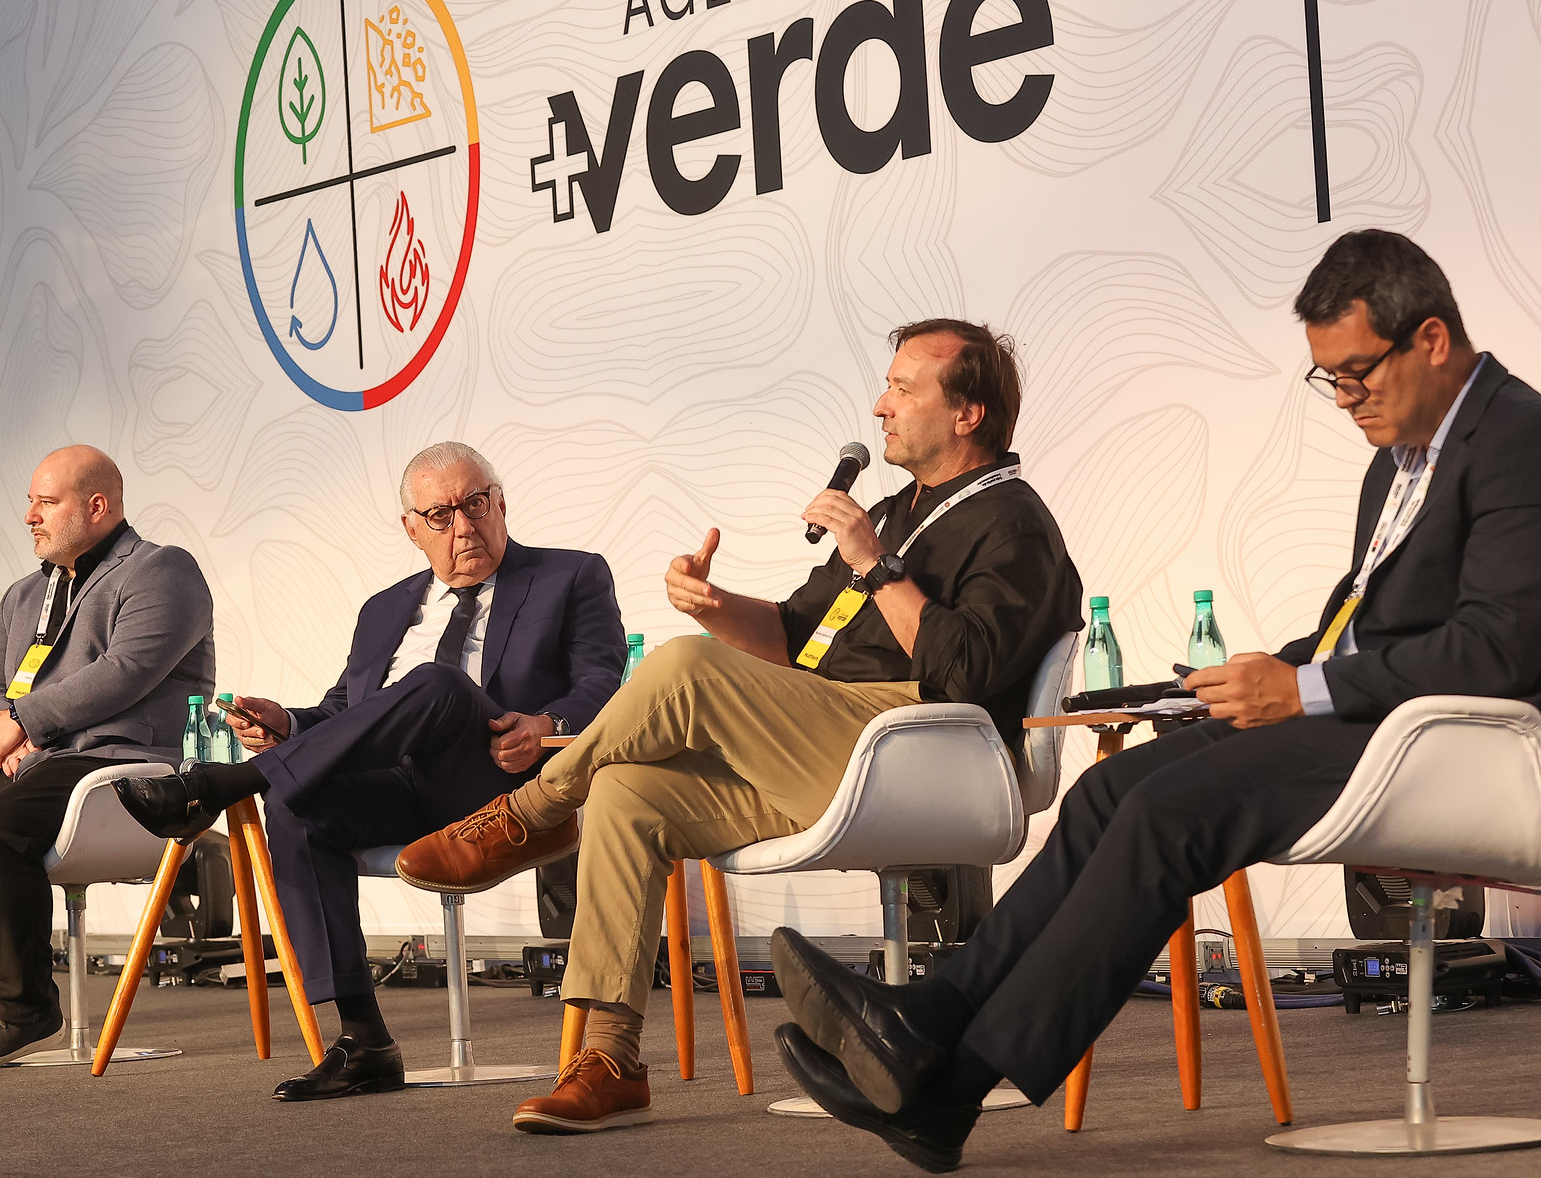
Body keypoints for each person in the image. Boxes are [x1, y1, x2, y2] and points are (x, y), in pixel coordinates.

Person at [767, 229, 1541, 1173]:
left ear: (1430, 339)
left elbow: (1496, 653)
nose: (1346, 399)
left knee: (1168, 816)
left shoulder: (1528, 444)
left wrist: (1301, 687)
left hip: (1477, 744)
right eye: (1330, 380)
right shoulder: (1402, 457)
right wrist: (1246, 679)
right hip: (1383, 719)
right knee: (1110, 790)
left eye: (1357, 373)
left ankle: (951, 1088)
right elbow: (1367, 629)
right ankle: (931, 1014)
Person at [396, 322, 1085, 1133]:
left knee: (685, 666)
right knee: (625, 790)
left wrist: (873, 562)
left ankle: (531, 810)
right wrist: (714, 605)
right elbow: (796, 636)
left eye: (904, 389)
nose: (880, 404)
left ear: (968, 414)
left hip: (926, 750)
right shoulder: (898, 512)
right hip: (828, 743)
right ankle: (610, 1057)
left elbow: (965, 669)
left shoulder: (1014, 524)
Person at [116, 442, 625, 1099]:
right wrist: (289, 723)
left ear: (501, 504)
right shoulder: (385, 608)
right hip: (402, 787)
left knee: (438, 683)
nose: (464, 526)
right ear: (412, 529)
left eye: (475, 504)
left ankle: (225, 784)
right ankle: (363, 1040)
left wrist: (546, 724)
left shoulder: (571, 575)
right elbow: (346, 711)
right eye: (440, 515)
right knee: (298, 805)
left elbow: (603, 681)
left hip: (505, 782)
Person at [0, 446, 214, 1069]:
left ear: (97, 506)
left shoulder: (162, 569)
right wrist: (6, 726)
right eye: (30, 502)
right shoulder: (24, 593)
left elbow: (126, 671)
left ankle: (22, 1007)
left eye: (46, 502)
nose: (30, 516)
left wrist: (24, 720)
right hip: (31, 765)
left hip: (117, 764)